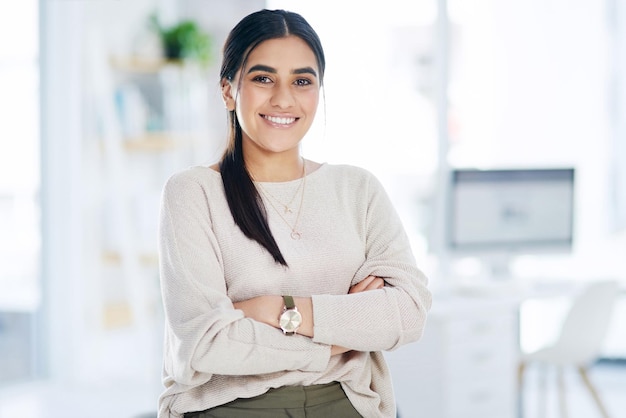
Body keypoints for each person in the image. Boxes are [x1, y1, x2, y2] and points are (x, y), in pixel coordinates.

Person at [158, 8, 432, 418]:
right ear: (229, 90)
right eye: (263, 78)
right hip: (233, 406)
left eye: (302, 81)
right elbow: (207, 344)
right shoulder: (194, 193)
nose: (283, 98)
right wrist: (346, 331)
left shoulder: (357, 188)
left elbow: (407, 313)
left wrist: (277, 309)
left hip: (346, 400)